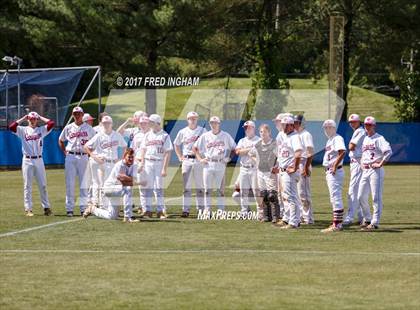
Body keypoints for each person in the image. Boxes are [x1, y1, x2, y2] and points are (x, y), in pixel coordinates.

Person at [9, 112, 55, 216]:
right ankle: (28, 209)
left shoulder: (41, 130)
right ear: (28, 119)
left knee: (43, 185)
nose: (32, 120)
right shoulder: (22, 130)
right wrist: (23, 118)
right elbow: (11, 127)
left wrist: (40, 117)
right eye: (30, 119)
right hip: (27, 160)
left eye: (34, 119)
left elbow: (52, 123)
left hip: (39, 160)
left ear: (37, 119)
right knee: (27, 185)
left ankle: (46, 208)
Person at [83, 148, 140, 222]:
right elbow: (124, 180)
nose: (131, 159)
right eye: (129, 157)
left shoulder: (134, 165)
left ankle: (92, 209)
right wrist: (132, 180)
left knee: (112, 216)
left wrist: (131, 180)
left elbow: (132, 180)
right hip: (109, 188)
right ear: (124, 157)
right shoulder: (119, 165)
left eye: (132, 157)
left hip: (118, 189)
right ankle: (128, 217)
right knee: (128, 189)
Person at [194, 116, 236, 214]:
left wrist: (229, 158)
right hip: (208, 164)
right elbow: (195, 148)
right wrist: (200, 159)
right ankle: (207, 210)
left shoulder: (225, 135)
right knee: (207, 189)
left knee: (221, 190)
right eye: (211, 123)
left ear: (219, 124)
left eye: (215, 123)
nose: (213, 124)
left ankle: (221, 210)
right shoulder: (205, 136)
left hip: (220, 163)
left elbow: (234, 148)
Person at [58, 106, 96, 216]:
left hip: (84, 156)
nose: (77, 115)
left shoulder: (89, 128)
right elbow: (60, 140)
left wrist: (90, 153)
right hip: (71, 156)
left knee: (83, 184)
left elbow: (95, 142)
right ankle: (69, 208)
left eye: (79, 113)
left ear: (83, 114)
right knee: (69, 183)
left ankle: (83, 208)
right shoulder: (68, 127)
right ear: (72, 115)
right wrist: (65, 152)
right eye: (75, 114)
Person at [358, 116, 392, 231]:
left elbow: (388, 152)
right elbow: (364, 154)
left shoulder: (379, 138)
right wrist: (362, 163)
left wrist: (380, 163)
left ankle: (375, 222)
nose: (367, 127)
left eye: (369, 125)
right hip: (366, 170)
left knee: (376, 197)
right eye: (365, 125)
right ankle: (367, 219)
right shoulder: (365, 139)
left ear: (374, 126)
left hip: (375, 171)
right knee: (360, 196)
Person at [84, 116, 127, 207]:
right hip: (103, 162)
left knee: (110, 184)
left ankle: (105, 204)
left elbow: (124, 146)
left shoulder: (116, 135)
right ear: (102, 124)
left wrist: (121, 158)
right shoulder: (99, 135)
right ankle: (103, 205)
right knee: (103, 184)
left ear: (112, 124)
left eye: (108, 123)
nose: (106, 125)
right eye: (104, 123)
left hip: (113, 163)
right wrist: (94, 157)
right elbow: (86, 146)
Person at [138, 114, 173, 219]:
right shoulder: (147, 135)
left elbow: (167, 153)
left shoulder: (165, 135)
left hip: (159, 162)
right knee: (148, 187)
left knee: (158, 188)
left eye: (151, 122)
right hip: (148, 162)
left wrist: (164, 168)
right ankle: (147, 210)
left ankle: (160, 211)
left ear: (157, 123)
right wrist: (142, 163)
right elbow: (143, 149)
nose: (149, 123)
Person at [173, 111, 206, 217]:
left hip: (198, 160)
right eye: (191, 118)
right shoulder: (183, 132)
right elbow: (176, 144)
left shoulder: (203, 130)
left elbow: (208, 144)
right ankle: (185, 210)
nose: (193, 120)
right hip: (187, 160)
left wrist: (203, 155)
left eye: (194, 118)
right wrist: (179, 156)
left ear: (197, 119)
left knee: (200, 187)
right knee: (186, 187)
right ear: (187, 120)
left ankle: (201, 209)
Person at [276, 116, 303, 229]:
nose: (283, 127)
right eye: (282, 125)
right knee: (286, 196)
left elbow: (298, 153)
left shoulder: (295, 137)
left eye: (285, 125)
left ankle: (294, 222)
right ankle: (288, 219)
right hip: (283, 170)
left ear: (291, 125)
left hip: (289, 171)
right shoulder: (286, 137)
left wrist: (295, 168)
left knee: (291, 197)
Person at [249, 124, 279, 223]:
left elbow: (280, 156)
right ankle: (266, 216)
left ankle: (275, 216)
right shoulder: (257, 144)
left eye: (265, 132)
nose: (263, 134)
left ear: (269, 132)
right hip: (260, 172)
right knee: (264, 194)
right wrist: (257, 161)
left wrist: (276, 166)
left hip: (270, 173)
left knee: (272, 195)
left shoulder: (274, 144)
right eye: (261, 132)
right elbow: (250, 154)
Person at [321, 119, 346, 233]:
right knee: (333, 197)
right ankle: (336, 222)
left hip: (335, 171)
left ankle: (337, 224)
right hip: (330, 171)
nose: (327, 129)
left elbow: (342, 152)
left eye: (329, 127)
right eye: (325, 127)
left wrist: (335, 165)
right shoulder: (330, 140)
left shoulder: (337, 138)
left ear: (334, 128)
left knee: (336, 197)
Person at [235, 120, 260, 217]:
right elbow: (238, 152)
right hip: (244, 168)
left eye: (248, 127)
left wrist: (244, 150)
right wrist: (251, 149)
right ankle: (244, 211)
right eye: (245, 128)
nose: (246, 129)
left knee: (256, 191)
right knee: (243, 191)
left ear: (253, 128)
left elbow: (258, 153)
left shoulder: (258, 140)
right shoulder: (242, 140)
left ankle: (260, 211)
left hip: (254, 168)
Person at [343, 114, 365, 226]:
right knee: (358, 190)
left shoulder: (360, 131)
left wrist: (350, 145)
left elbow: (351, 147)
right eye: (350, 122)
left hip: (358, 161)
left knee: (353, 190)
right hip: (355, 162)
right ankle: (362, 217)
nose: (352, 124)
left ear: (359, 121)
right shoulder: (357, 131)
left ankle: (350, 217)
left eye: (354, 122)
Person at [294, 115, 315, 224]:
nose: (295, 124)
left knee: (304, 193)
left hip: (304, 163)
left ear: (302, 123)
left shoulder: (306, 135)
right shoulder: (297, 135)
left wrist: (306, 167)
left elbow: (310, 152)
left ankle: (308, 218)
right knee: (298, 193)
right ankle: (302, 215)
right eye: (294, 122)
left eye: (297, 122)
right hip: (298, 164)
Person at [131, 115, 151, 214]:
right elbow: (133, 150)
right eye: (141, 123)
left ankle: (154, 208)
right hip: (138, 162)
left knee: (151, 186)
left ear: (149, 124)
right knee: (142, 187)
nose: (143, 125)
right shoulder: (137, 136)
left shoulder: (152, 134)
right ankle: (145, 209)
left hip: (150, 162)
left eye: (145, 123)